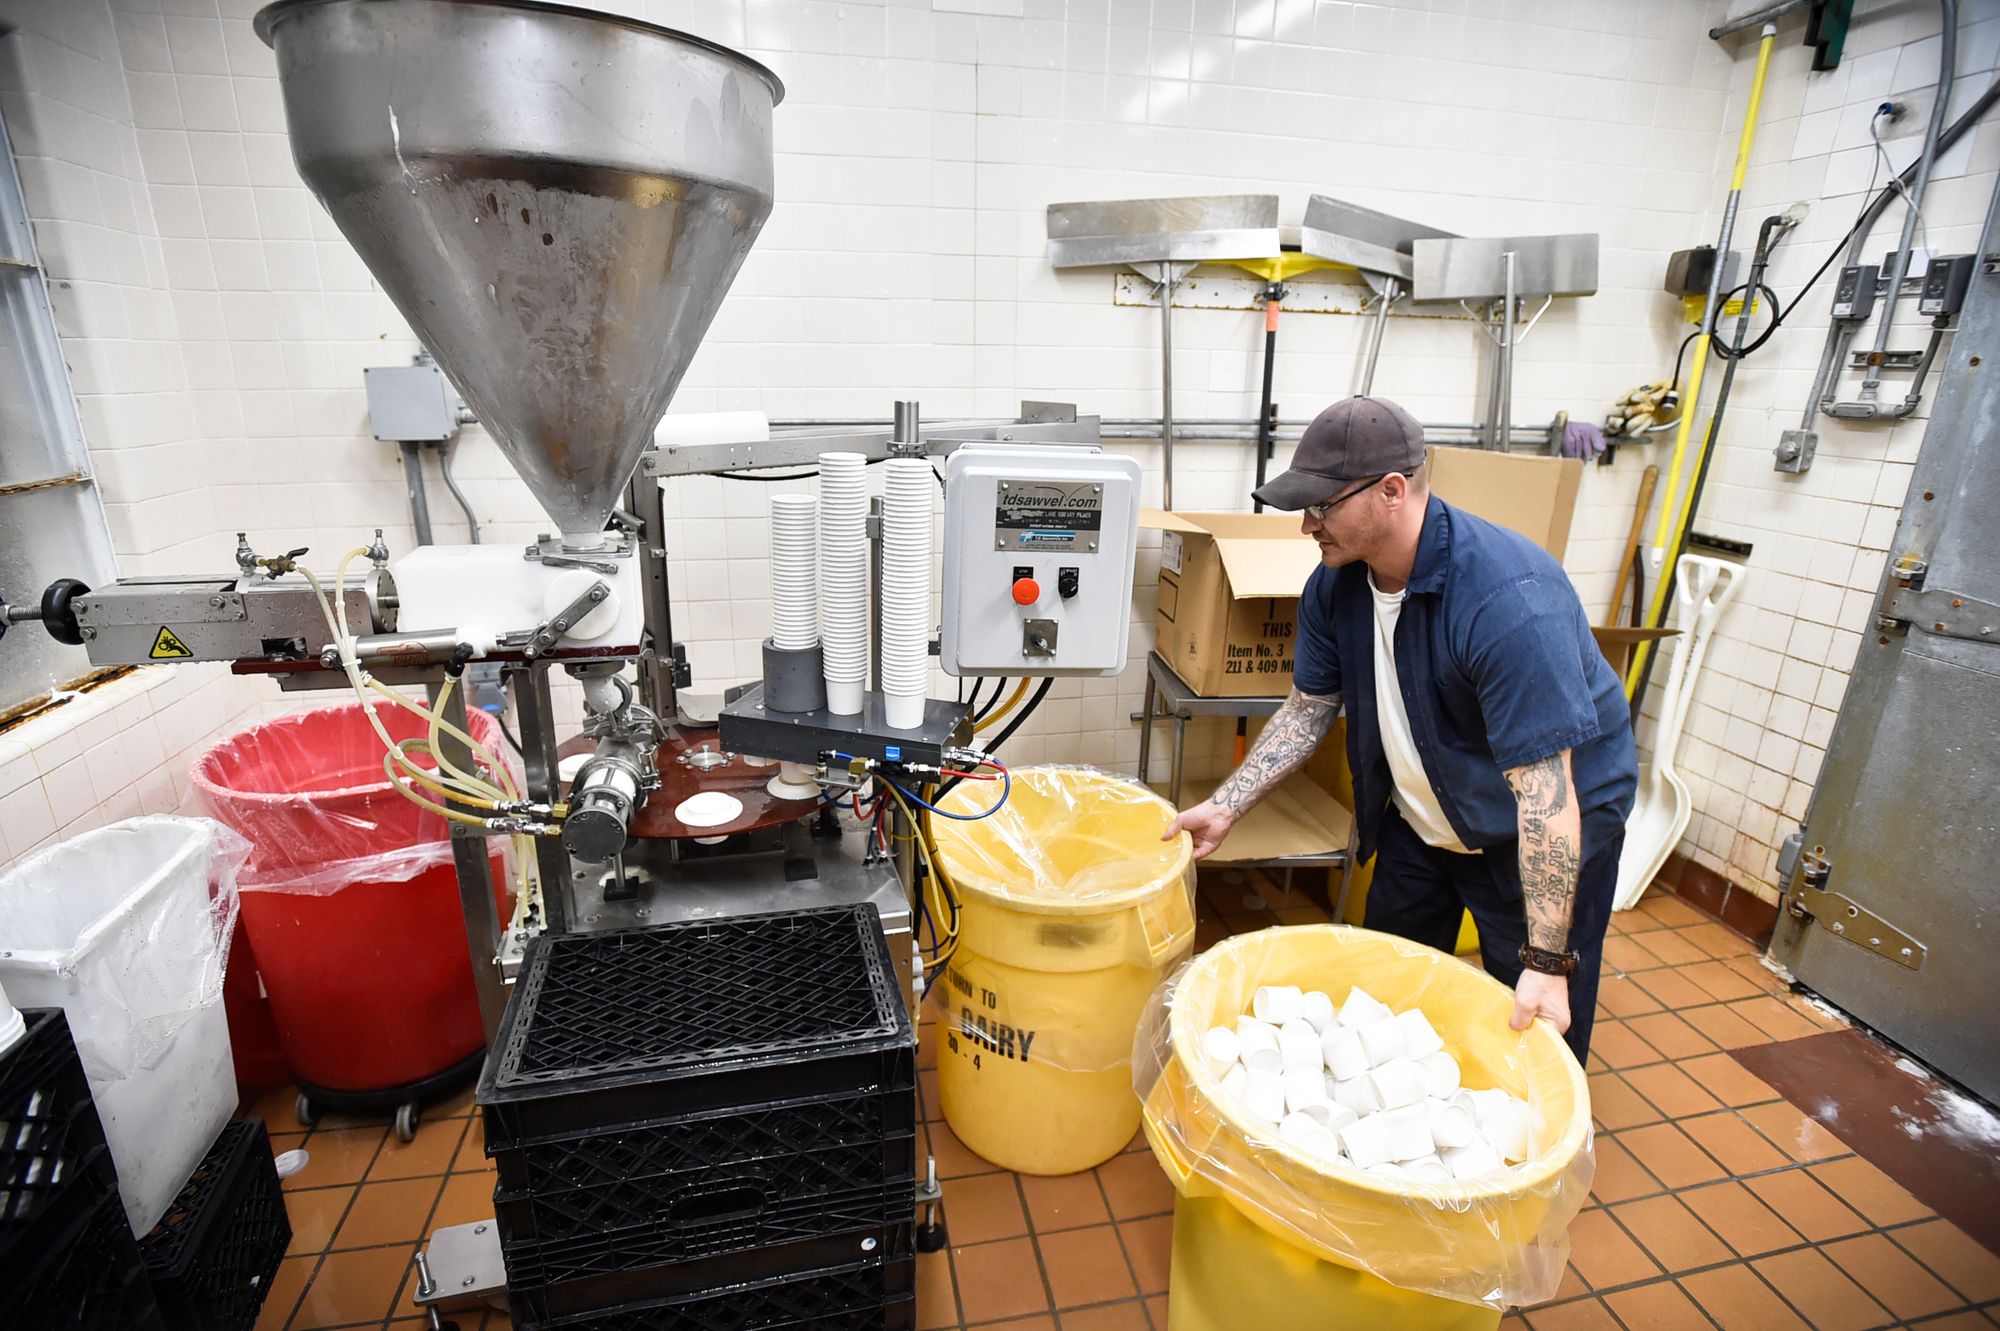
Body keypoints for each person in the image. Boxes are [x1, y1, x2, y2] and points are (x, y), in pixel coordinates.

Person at [1163, 395, 1637, 1063]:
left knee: (1532, 1018)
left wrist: (1547, 958)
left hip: (1540, 829)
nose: (1307, 525)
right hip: (1424, 819)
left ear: (1392, 491)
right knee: (1388, 992)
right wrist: (1226, 805)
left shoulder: (1507, 601)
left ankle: (1531, 1141)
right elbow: (1308, 709)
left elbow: (1546, 798)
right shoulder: (1336, 586)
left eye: (1323, 505)